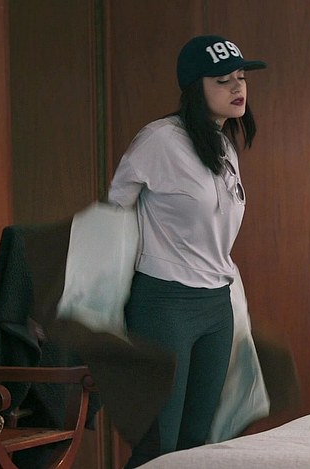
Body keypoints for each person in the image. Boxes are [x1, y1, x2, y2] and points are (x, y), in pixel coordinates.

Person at [106, 35, 267, 467]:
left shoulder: (223, 144)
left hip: (216, 304)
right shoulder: (159, 140)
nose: (237, 88)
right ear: (196, 87)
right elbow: (115, 210)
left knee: (198, 445)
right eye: (223, 80)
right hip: (164, 302)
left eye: (241, 77)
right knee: (157, 445)